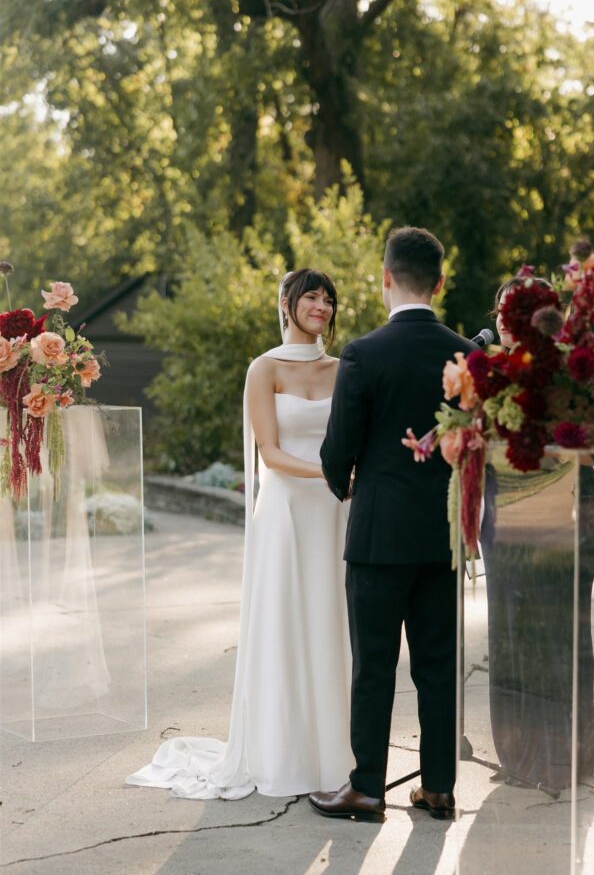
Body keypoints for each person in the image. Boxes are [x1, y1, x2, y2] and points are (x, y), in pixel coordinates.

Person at [126, 269, 354, 799]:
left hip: (335, 512)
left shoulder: (345, 368)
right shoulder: (264, 368)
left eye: (328, 299)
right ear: (286, 303)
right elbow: (270, 454)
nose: (321, 306)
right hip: (287, 512)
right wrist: (335, 474)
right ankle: (281, 754)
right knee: (286, 622)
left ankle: (333, 756)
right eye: (311, 297)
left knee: (331, 623)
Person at [308, 226, 477, 823]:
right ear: (439, 283)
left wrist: (343, 483)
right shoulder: (466, 355)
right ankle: (439, 788)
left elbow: (337, 449)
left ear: (385, 277)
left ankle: (367, 788)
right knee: (436, 663)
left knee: (374, 662)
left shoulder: (362, 352)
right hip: (441, 532)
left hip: (379, 534)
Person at [482, 276, 594, 790]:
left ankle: (539, 759)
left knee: (531, 630)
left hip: (550, 507)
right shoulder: (488, 369)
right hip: (523, 507)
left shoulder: (572, 372)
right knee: (554, 628)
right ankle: (572, 752)